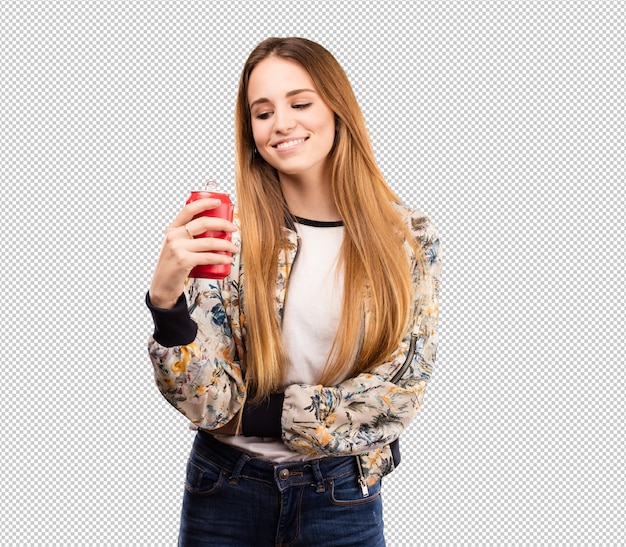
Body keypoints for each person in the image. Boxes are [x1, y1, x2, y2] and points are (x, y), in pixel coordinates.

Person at [146, 36, 441, 547]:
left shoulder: (407, 238)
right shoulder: (230, 233)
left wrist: (255, 413)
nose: (281, 123)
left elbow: (399, 393)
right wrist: (166, 303)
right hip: (225, 489)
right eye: (262, 112)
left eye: (300, 103)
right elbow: (204, 403)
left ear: (336, 109)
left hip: (342, 497)